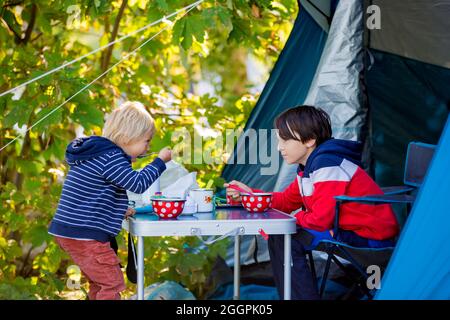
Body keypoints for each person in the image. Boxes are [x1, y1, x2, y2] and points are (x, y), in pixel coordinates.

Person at [225, 105, 399, 300]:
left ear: (309, 140)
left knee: (285, 236)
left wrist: (294, 219)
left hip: (369, 238)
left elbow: (320, 220)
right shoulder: (308, 168)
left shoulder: (328, 165)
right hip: (348, 230)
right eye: (278, 140)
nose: (279, 147)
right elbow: (285, 200)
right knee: (282, 234)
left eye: (285, 140)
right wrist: (250, 195)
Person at [48, 101, 172, 300]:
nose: (148, 146)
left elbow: (92, 194)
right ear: (127, 137)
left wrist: (117, 209)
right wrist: (159, 162)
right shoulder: (111, 156)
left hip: (72, 230)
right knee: (112, 283)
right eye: (147, 141)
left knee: (99, 282)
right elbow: (137, 184)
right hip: (86, 235)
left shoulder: (97, 154)